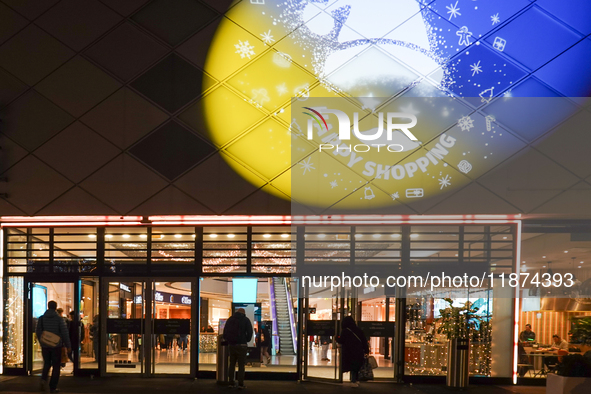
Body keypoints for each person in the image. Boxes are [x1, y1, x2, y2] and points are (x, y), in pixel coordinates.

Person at [35, 301, 71, 393]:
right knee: (56, 366)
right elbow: (64, 333)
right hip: (56, 345)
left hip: (45, 346)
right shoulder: (59, 319)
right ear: (55, 307)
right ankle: (53, 387)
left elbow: (38, 331)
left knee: (47, 363)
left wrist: (42, 342)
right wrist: (68, 345)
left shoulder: (42, 319)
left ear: (48, 306)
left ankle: (43, 380)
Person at [223, 308, 253, 389]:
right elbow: (250, 332)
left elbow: (225, 331)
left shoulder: (230, 319)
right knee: (241, 365)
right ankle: (240, 383)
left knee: (232, 363)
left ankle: (231, 382)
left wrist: (228, 340)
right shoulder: (246, 320)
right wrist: (246, 340)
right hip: (242, 345)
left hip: (232, 345)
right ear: (243, 313)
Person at [337, 316, 369, 388]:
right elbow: (364, 340)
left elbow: (341, 340)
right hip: (358, 351)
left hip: (348, 351)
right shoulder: (358, 330)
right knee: (356, 365)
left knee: (351, 365)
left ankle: (352, 380)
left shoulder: (345, 331)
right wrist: (366, 350)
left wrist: (336, 338)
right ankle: (355, 379)